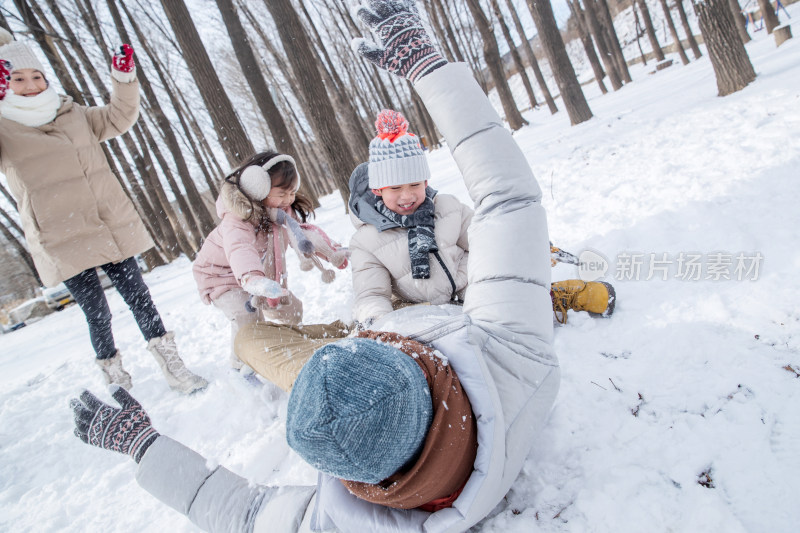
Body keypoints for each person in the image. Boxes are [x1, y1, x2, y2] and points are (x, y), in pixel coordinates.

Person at [69, 1, 560, 531]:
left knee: (254, 341)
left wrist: (143, 447)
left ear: (352, 475)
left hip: (385, 332)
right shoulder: (512, 360)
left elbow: (244, 513)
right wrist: (428, 68)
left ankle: (312, 367)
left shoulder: (344, 519)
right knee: (259, 337)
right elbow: (508, 201)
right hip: (412, 324)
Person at [0, 30, 206, 394]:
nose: (30, 85)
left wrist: (123, 78)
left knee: (140, 298)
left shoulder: (71, 113)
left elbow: (118, 117)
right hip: (59, 235)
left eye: (37, 76)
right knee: (98, 314)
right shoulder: (5, 129)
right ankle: (116, 378)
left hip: (106, 222)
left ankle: (174, 368)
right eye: (17, 78)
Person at [349, 111, 615, 327]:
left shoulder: (447, 207)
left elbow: (489, 239)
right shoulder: (367, 241)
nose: (407, 196)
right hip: (428, 315)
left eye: (414, 185)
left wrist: (527, 248)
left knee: (519, 299)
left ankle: (560, 296)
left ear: (425, 181)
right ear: (378, 190)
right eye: (395, 189)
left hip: (476, 288)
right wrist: (378, 323)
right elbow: (372, 294)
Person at [192, 151, 348, 369]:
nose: (289, 199)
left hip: (259, 276)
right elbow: (240, 249)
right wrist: (253, 279)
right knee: (247, 315)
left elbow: (301, 237)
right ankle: (241, 366)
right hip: (220, 277)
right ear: (257, 187)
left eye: (292, 192)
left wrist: (331, 251)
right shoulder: (237, 219)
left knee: (291, 309)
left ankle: (290, 343)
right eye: (282, 193)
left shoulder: (281, 212)